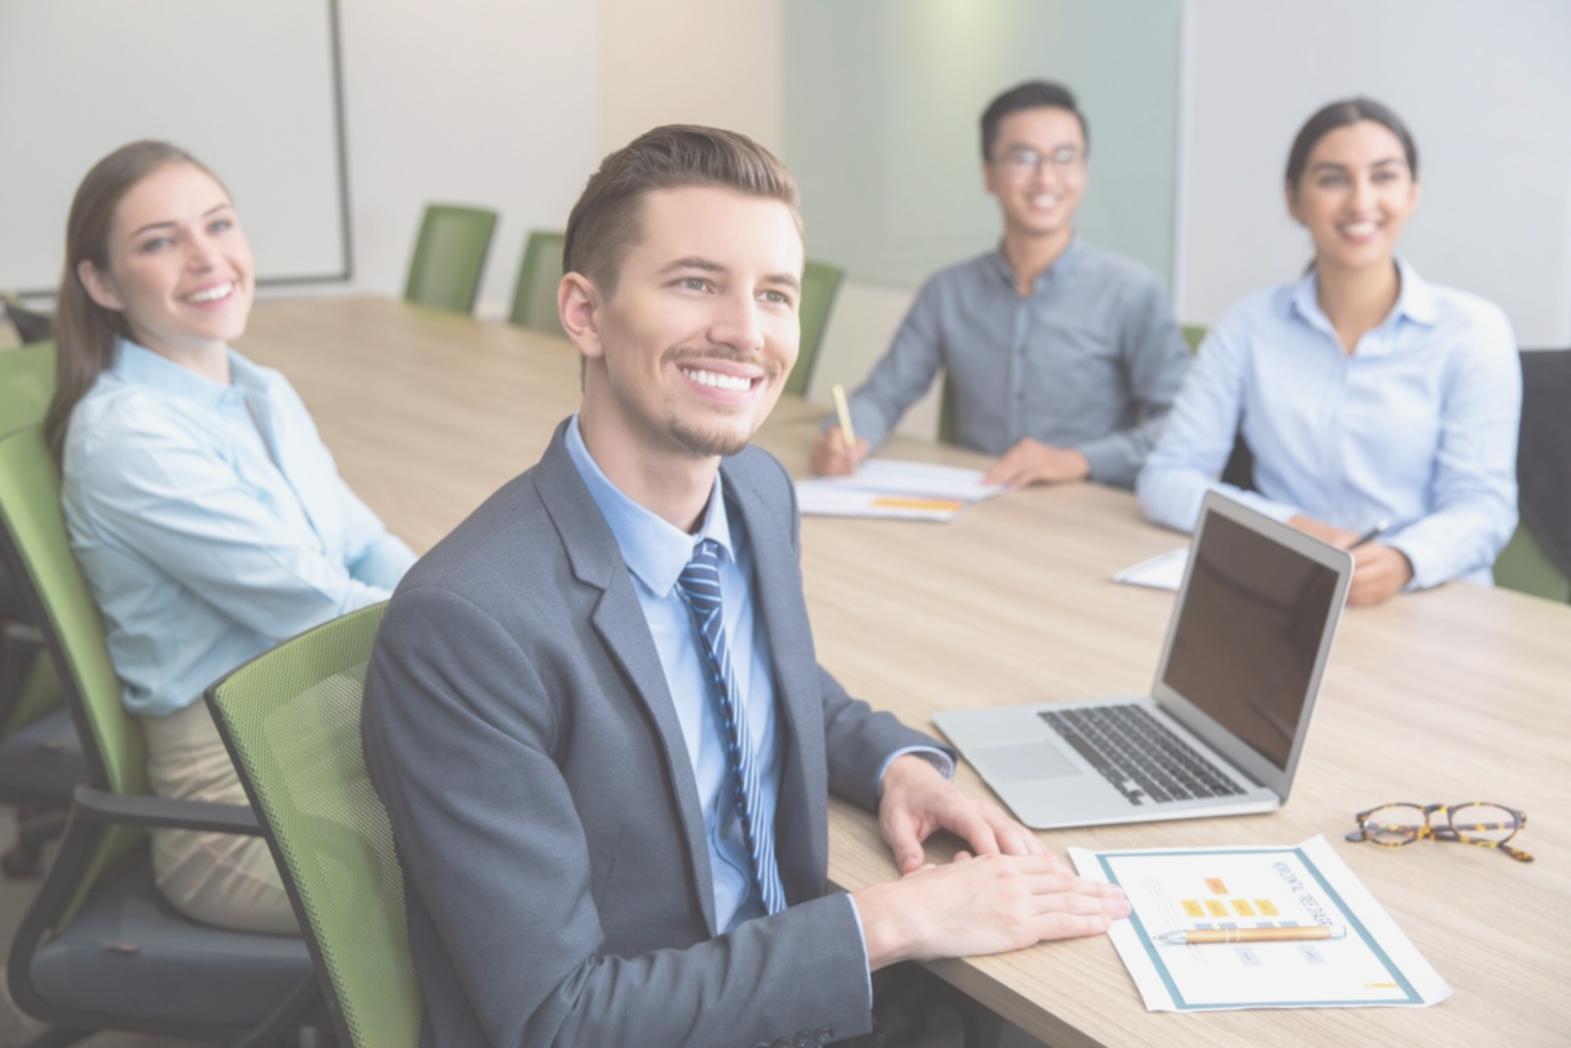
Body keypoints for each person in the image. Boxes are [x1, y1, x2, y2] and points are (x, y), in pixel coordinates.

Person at [362, 125, 1129, 1047]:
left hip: (801, 993)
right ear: (584, 312)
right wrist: (890, 920)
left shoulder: (755, 492)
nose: (745, 332)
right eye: (694, 282)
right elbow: (556, 1021)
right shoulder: (468, 625)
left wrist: (897, 765)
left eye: (774, 294)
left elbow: (771, 674)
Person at [46, 140, 415, 933]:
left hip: (326, 735)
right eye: (159, 241)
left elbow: (364, 544)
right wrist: (492, 641)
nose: (206, 257)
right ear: (101, 283)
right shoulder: (127, 436)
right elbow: (319, 607)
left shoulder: (258, 388)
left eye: (218, 225)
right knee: (529, 875)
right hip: (240, 809)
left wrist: (463, 606)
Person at [1136, 98, 1520, 605]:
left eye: (1384, 177)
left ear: (1412, 193)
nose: (1361, 203)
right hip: (1292, 597)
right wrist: (1290, 528)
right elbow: (1166, 478)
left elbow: (1483, 507)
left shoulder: (1473, 332)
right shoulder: (1249, 326)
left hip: (1432, 602)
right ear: (1294, 199)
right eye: (1332, 179)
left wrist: (1405, 560)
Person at [810, 80, 1190, 490]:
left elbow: (1182, 424)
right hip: (980, 502)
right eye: (1024, 157)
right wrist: (843, 437)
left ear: (1084, 171)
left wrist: (1079, 460)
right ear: (988, 175)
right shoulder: (948, 292)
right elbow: (884, 394)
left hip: (1087, 509)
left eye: (1065, 158)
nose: (1046, 179)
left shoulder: (1131, 292)